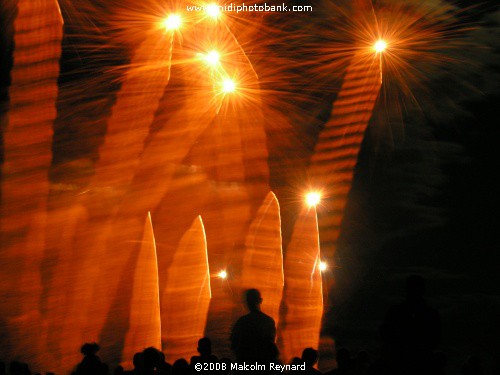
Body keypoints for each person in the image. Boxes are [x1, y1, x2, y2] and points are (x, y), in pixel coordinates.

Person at [380, 275, 441, 375]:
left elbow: (385, 334)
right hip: (421, 362)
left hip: (400, 362)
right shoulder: (431, 314)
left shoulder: (396, 311)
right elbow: (436, 339)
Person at [230, 289, 278, 364]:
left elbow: (234, 344)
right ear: (260, 300)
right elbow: (271, 343)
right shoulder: (268, 321)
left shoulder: (242, 322)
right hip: (264, 363)